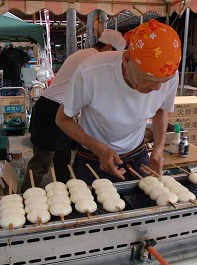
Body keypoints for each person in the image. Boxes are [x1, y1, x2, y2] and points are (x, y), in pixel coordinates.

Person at [56, 20, 181, 184]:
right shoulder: (91, 72)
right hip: (93, 157)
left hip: (137, 155)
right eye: (148, 80)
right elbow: (63, 119)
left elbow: (161, 110)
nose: (158, 88)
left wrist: (158, 149)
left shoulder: (169, 74)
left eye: (164, 81)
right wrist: (99, 149)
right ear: (127, 59)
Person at [24, 29, 126, 188]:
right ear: (108, 48)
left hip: (56, 108)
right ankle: (26, 197)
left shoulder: (84, 53)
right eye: (113, 53)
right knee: (41, 162)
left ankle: (64, 195)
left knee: (62, 161)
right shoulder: (95, 59)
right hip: (52, 110)